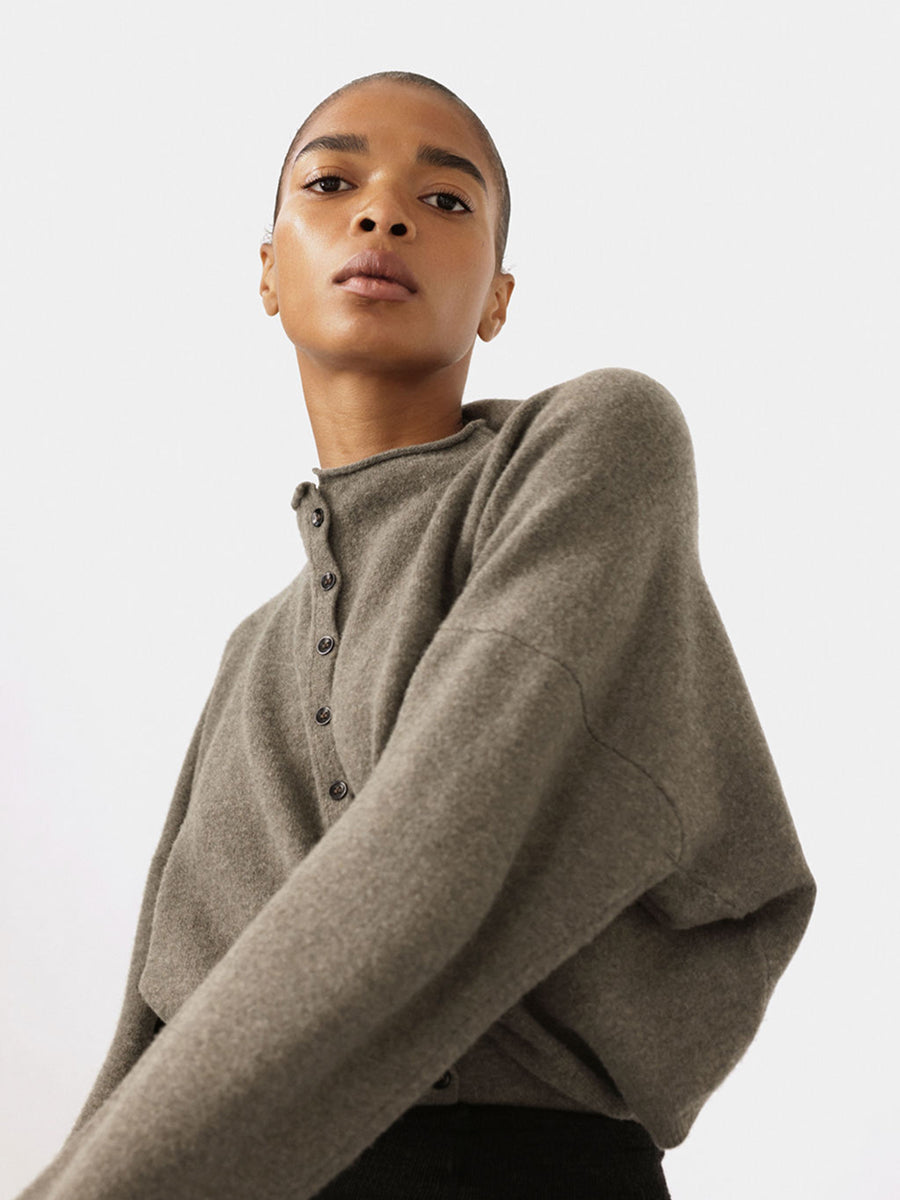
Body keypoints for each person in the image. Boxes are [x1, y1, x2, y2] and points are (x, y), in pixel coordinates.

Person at [16, 71, 816, 1200]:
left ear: (498, 297)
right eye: (331, 183)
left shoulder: (593, 449)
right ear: (266, 269)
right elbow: (154, 1034)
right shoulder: (252, 654)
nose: (383, 214)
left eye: (444, 201)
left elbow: (431, 861)